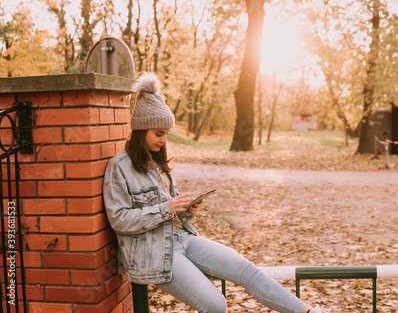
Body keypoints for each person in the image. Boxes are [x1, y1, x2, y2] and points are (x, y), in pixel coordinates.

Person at [103, 73, 330, 313]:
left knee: (247, 270)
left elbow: (173, 213)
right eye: (159, 134)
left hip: (182, 237)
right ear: (141, 131)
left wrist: (186, 210)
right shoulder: (119, 167)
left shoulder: (158, 163)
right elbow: (119, 220)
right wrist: (166, 208)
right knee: (215, 304)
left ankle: (307, 311)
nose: (164, 139)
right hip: (155, 254)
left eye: (166, 133)